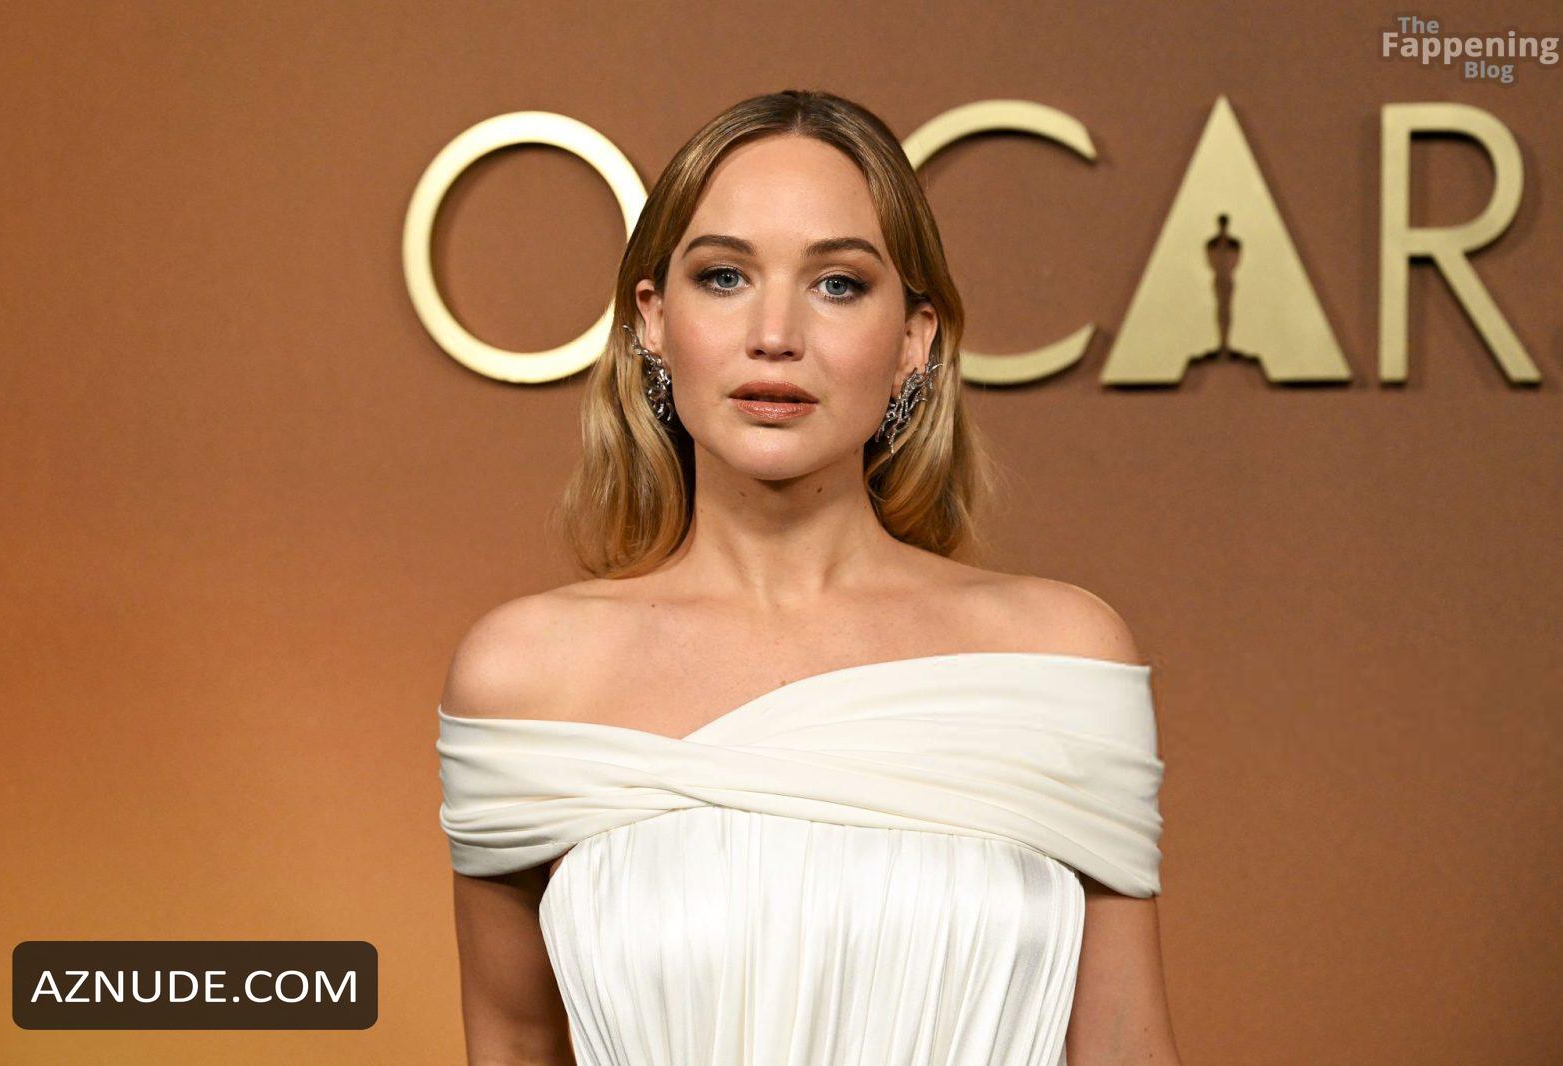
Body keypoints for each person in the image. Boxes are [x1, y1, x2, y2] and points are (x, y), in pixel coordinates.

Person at [436, 88, 1181, 1066]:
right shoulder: (526, 678)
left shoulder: (1060, 658)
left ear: (913, 338)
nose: (775, 333)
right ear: (653, 319)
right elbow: (513, 1041)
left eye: (837, 284)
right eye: (724, 276)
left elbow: (1125, 1047)